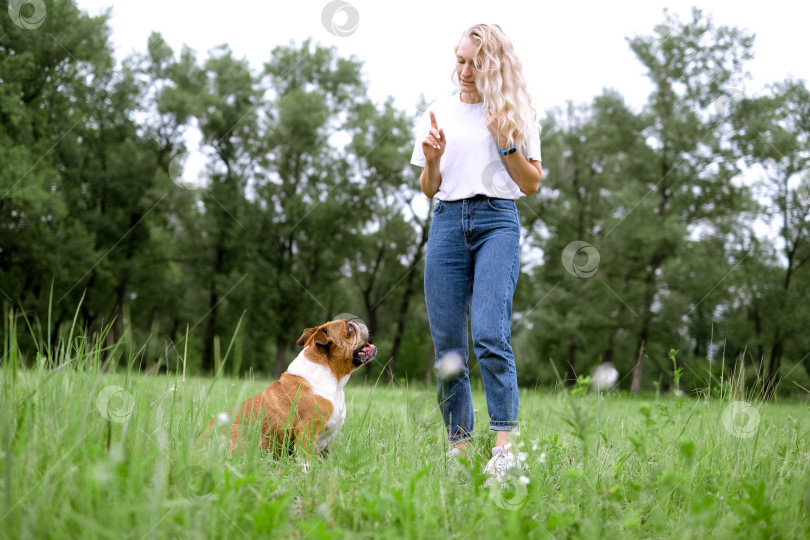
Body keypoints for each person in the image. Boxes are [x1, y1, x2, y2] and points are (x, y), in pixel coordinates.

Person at [410, 23, 542, 483]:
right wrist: (431, 160)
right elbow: (430, 189)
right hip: (447, 223)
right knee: (448, 347)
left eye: (475, 63)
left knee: (489, 332)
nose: (464, 71)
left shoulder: (517, 111)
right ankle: (460, 448)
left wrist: (505, 141)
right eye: (460, 60)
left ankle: (505, 448)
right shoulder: (438, 110)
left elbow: (530, 183)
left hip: (496, 222)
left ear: (494, 66)